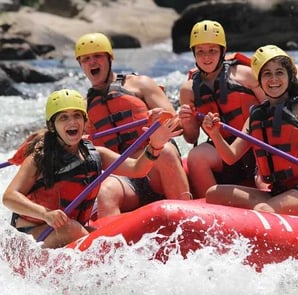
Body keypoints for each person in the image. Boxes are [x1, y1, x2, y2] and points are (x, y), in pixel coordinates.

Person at [2, 89, 181, 248]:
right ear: (52, 126)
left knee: (107, 238)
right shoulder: (39, 159)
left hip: (70, 227)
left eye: (76, 115)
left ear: (85, 121)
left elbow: (137, 169)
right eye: (63, 117)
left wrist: (155, 145)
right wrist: (46, 214)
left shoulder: (97, 154)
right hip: (31, 234)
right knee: (72, 230)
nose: (72, 122)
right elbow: (9, 197)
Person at [203, 44, 298, 216]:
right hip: (280, 190)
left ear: (290, 76)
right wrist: (214, 134)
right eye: (267, 73)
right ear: (259, 81)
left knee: (263, 210)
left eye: (279, 72)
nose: (273, 79)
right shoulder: (256, 116)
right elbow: (230, 157)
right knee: (214, 193)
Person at [74, 32, 191, 217]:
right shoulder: (82, 109)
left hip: (157, 169)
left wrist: (161, 121)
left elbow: (177, 126)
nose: (92, 62)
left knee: (166, 151)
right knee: (105, 191)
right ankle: (111, 244)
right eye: (86, 59)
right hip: (125, 178)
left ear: (109, 58)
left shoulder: (141, 84)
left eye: (98, 56)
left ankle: (187, 220)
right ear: (81, 65)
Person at [178, 20, 266, 198]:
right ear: (194, 54)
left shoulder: (245, 75)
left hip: (257, 146)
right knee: (196, 157)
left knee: (263, 182)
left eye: (212, 50)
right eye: (200, 51)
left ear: (223, 51)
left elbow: (270, 108)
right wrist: (187, 121)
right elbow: (191, 137)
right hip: (222, 150)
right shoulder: (188, 90)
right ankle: (212, 209)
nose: (206, 57)